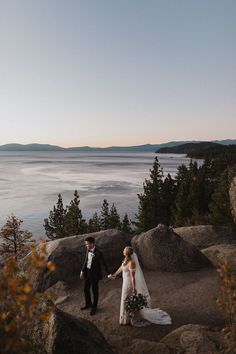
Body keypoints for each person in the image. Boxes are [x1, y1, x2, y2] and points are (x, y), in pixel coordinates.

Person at [110, 246, 172, 326]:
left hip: (128, 284)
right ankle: (125, 318)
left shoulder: (132, 263)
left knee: (126, 299)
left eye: (124, 250)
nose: (123, 251)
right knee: (124, 299)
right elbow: (121, 268)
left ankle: (130, 318)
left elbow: (133, 277)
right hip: (125, 282)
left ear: (127, 253)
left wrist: (133, 288)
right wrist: (114, 275)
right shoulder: (125, 260)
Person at [80, 236, 108, 316]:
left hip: (95, 275)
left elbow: (104, 263)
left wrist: (109, 274)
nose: (86, 246)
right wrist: (82, 271)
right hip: (88, 273)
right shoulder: (88, 250)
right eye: (86, 244)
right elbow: (86, 261)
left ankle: (94, 307)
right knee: (86, 289)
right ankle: (88, 304)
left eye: (87, 244)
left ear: (92, 243)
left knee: (95, 291)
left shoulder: (98, 253)